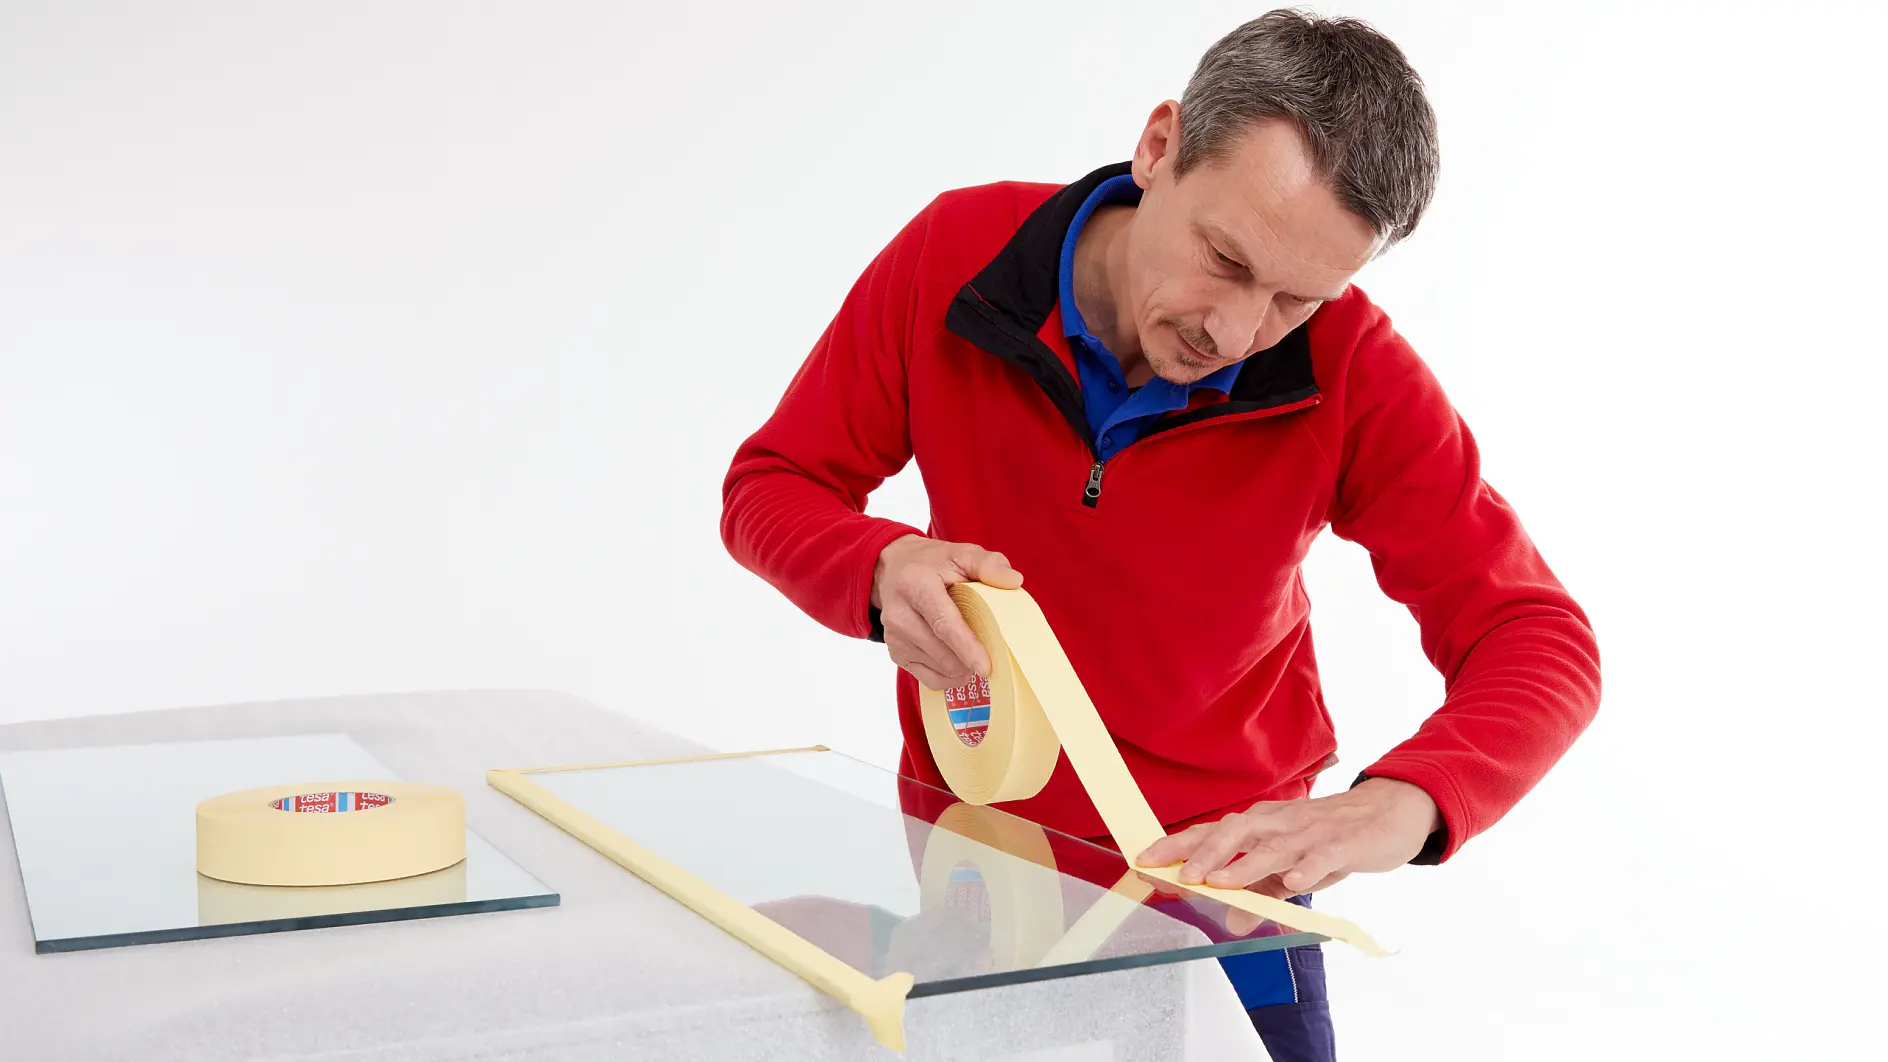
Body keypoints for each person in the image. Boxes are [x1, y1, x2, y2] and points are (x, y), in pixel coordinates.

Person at [718, 9, 1601, 1059]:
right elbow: (771, 484)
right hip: (977, 873)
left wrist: (1407, 802)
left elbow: (1537, 636)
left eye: (1294, 300)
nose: (1233, 331)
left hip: (1225, 911)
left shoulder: (1354, 370)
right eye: (1224, 258)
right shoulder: (950, 256)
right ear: (1158, 146)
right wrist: (874, 565)